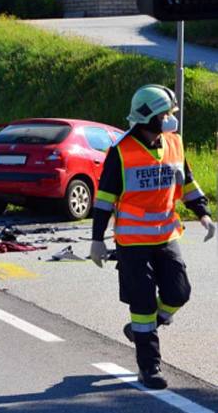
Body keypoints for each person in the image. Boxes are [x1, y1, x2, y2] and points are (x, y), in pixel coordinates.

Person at [90, 84, 215, 390]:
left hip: (166, 236)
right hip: (132, 244)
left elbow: (186, 183)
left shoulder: (174, 143)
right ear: (148, 117)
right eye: (166, 114)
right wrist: (97, 239)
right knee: (143, 305)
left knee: (179, 293)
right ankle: (150, 366)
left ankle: (141, 330)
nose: (171, 118)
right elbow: (105, 199)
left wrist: (203, 213)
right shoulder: (121, 152)